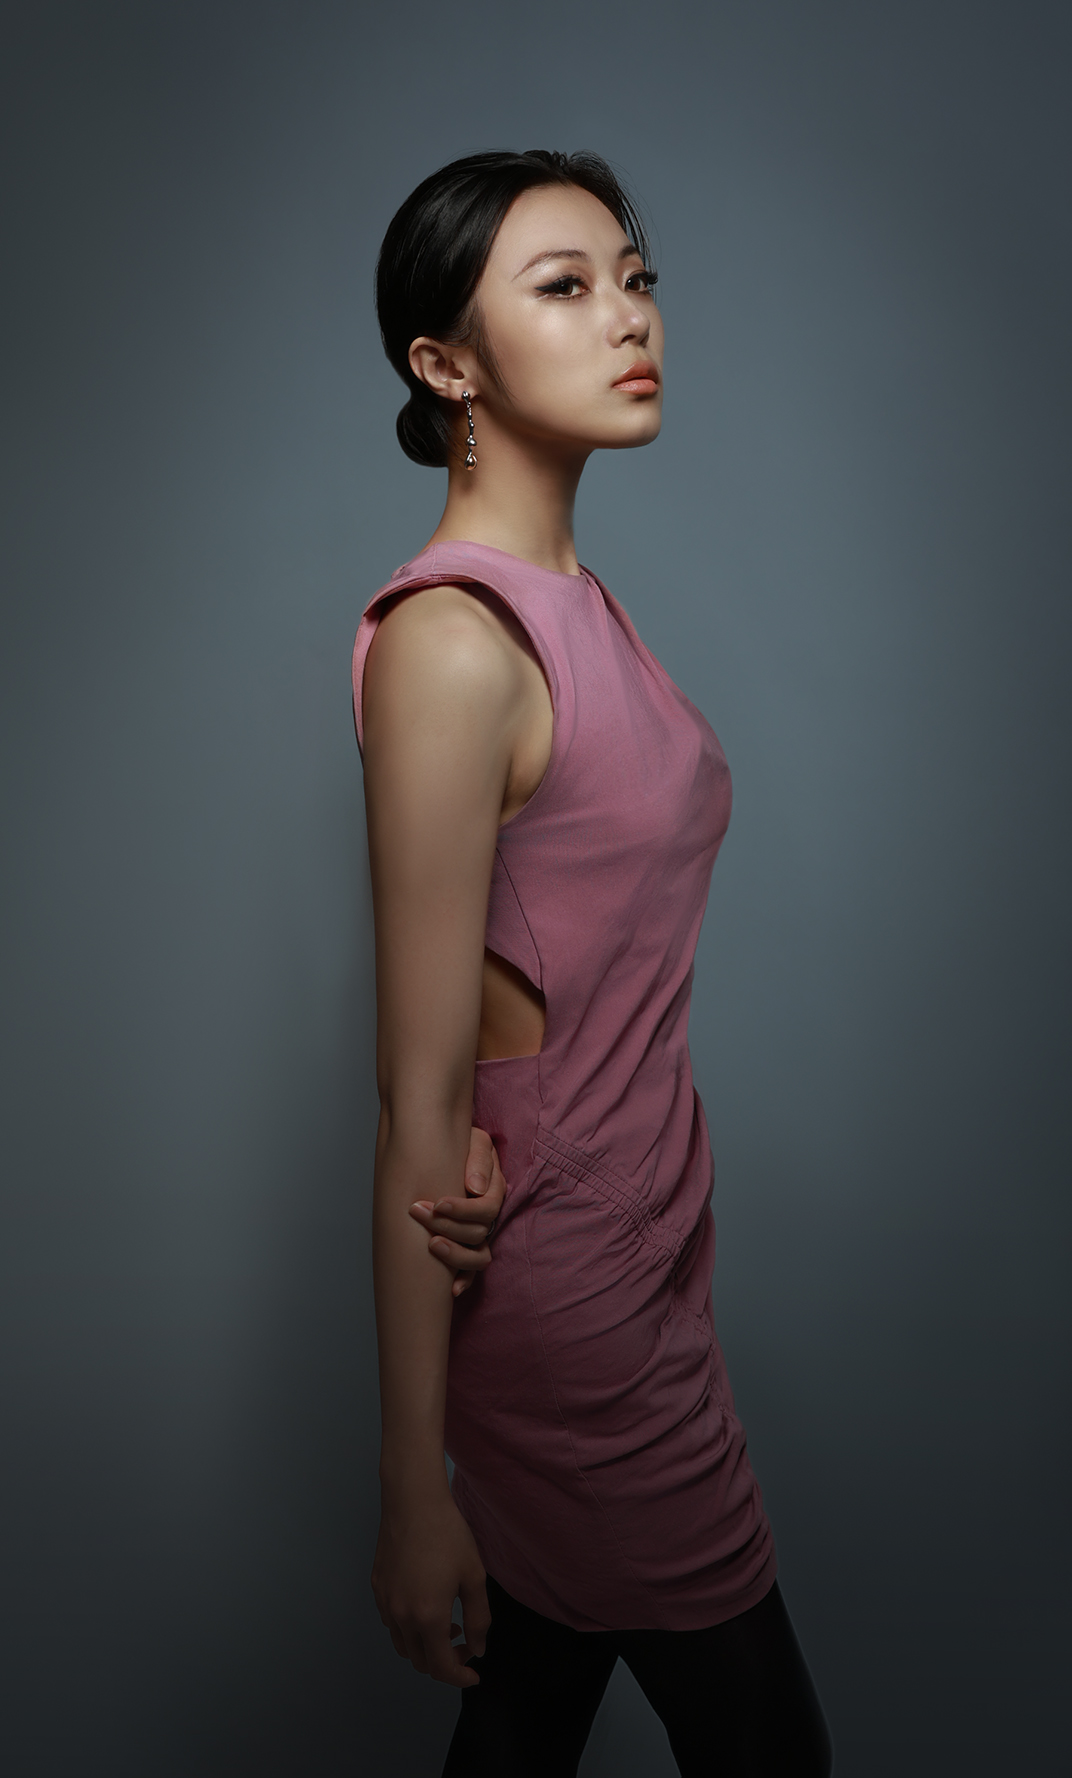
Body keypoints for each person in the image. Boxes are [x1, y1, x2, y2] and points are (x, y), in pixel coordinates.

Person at [355, 150, 832, 1777]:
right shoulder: (453, 642)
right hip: (570, 1305)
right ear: (447, 364)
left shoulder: (577, 605)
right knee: (767, 1745)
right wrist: (411, 1493)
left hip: (642, 1247)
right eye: (563, 287)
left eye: (635, 278)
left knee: (531, 1705)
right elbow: (422, 1095)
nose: (629, 316)